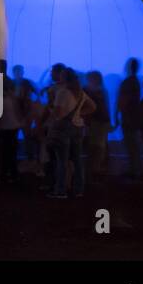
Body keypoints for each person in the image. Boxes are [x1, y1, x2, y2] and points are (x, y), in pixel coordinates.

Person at [47, 69, 94, 198]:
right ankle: (78, 189)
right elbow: (93, 107)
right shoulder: (80, 92)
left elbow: (58, 114)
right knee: (77, 160)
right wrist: (78, 114)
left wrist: (50, 105)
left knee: (62, 161)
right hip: (78, 128)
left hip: (63, 130)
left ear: (64, 78)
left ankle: (60, 190)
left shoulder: (63, 93)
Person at [116, 58, 143, 179]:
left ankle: (135, 170)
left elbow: (124, 99)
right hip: (134, 116)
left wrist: (117, 113)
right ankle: (136, 169)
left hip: (129, 117)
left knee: (131, 144)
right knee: (133, 144)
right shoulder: (136, 82)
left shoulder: (128, 82)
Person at [0, 60, 21, 184]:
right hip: (13, 124)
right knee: (11, 151)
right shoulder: (10, 81)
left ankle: (3, 175)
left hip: (3, 124)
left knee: (2, 151)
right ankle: (13, 174)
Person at [84, 71, 111, 178]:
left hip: (96, 121)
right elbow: (106, 107)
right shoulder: (102, 90)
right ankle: (97, 168)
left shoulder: (91, 91)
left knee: (96, 145)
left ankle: (95, 169)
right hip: (100, 121)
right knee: (99, 145)